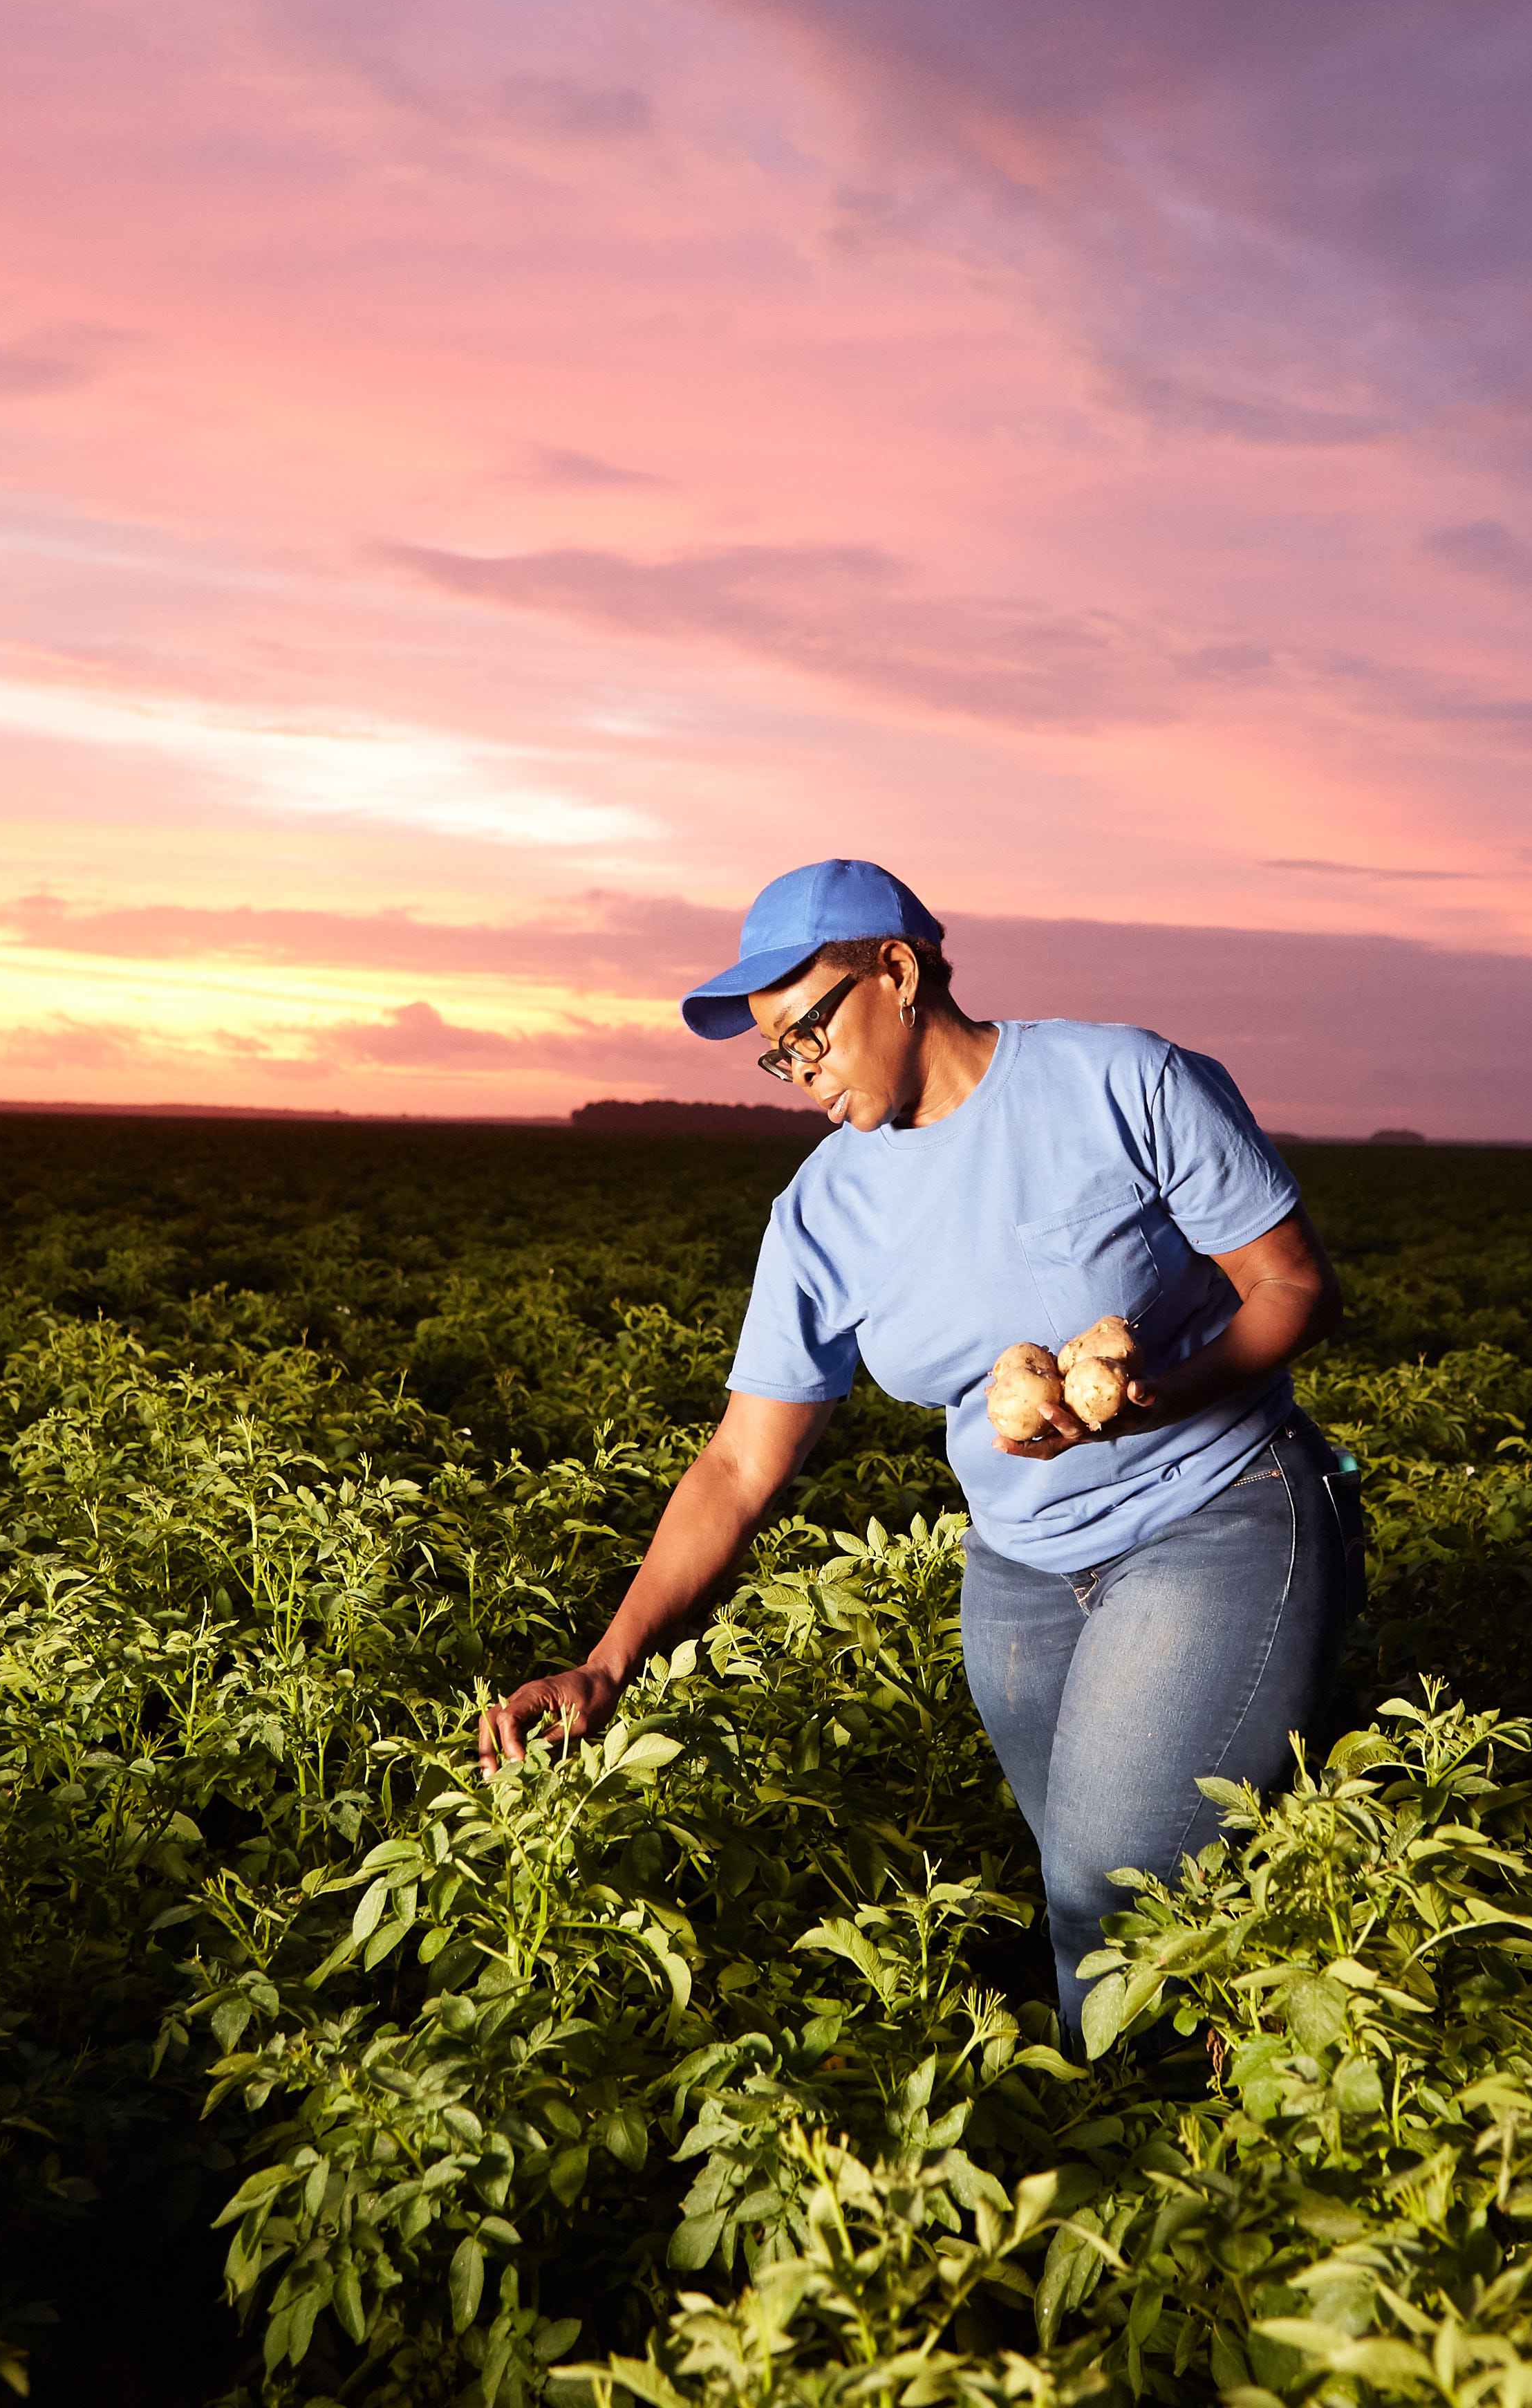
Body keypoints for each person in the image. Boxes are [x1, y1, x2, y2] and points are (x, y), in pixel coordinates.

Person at [475, 858, 1358, 2045]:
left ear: (898, 972)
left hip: (1214, 1517)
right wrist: (610, 1659)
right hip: (1021, 1581)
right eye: (774, 1058)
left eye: (808, 1036)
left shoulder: (1118, 1079)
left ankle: (1160, 2177)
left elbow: (1293, 1283)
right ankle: (1215, 2110)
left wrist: (1154, 1395)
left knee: (1114, 1901)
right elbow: (739, 1467)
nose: (801, 1077)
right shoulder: (823, 1213)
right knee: (1110, 1908)